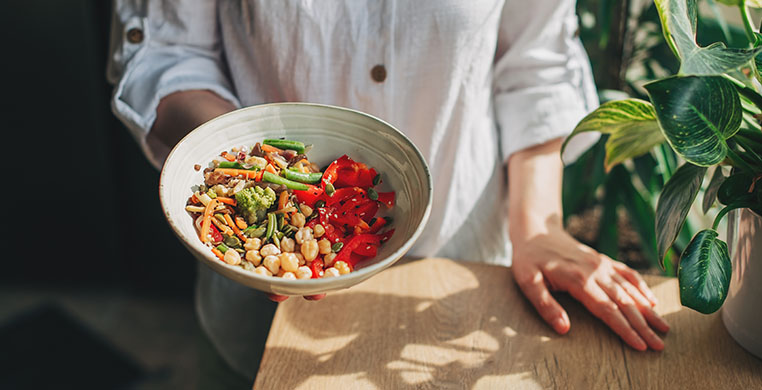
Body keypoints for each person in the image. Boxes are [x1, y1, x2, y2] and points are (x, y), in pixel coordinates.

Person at [108, 0, 670, 385]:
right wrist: (254, 174)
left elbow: (534, 65)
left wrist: (541, 228)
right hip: (257, 313)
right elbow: (167, 53)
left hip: (464, 268)